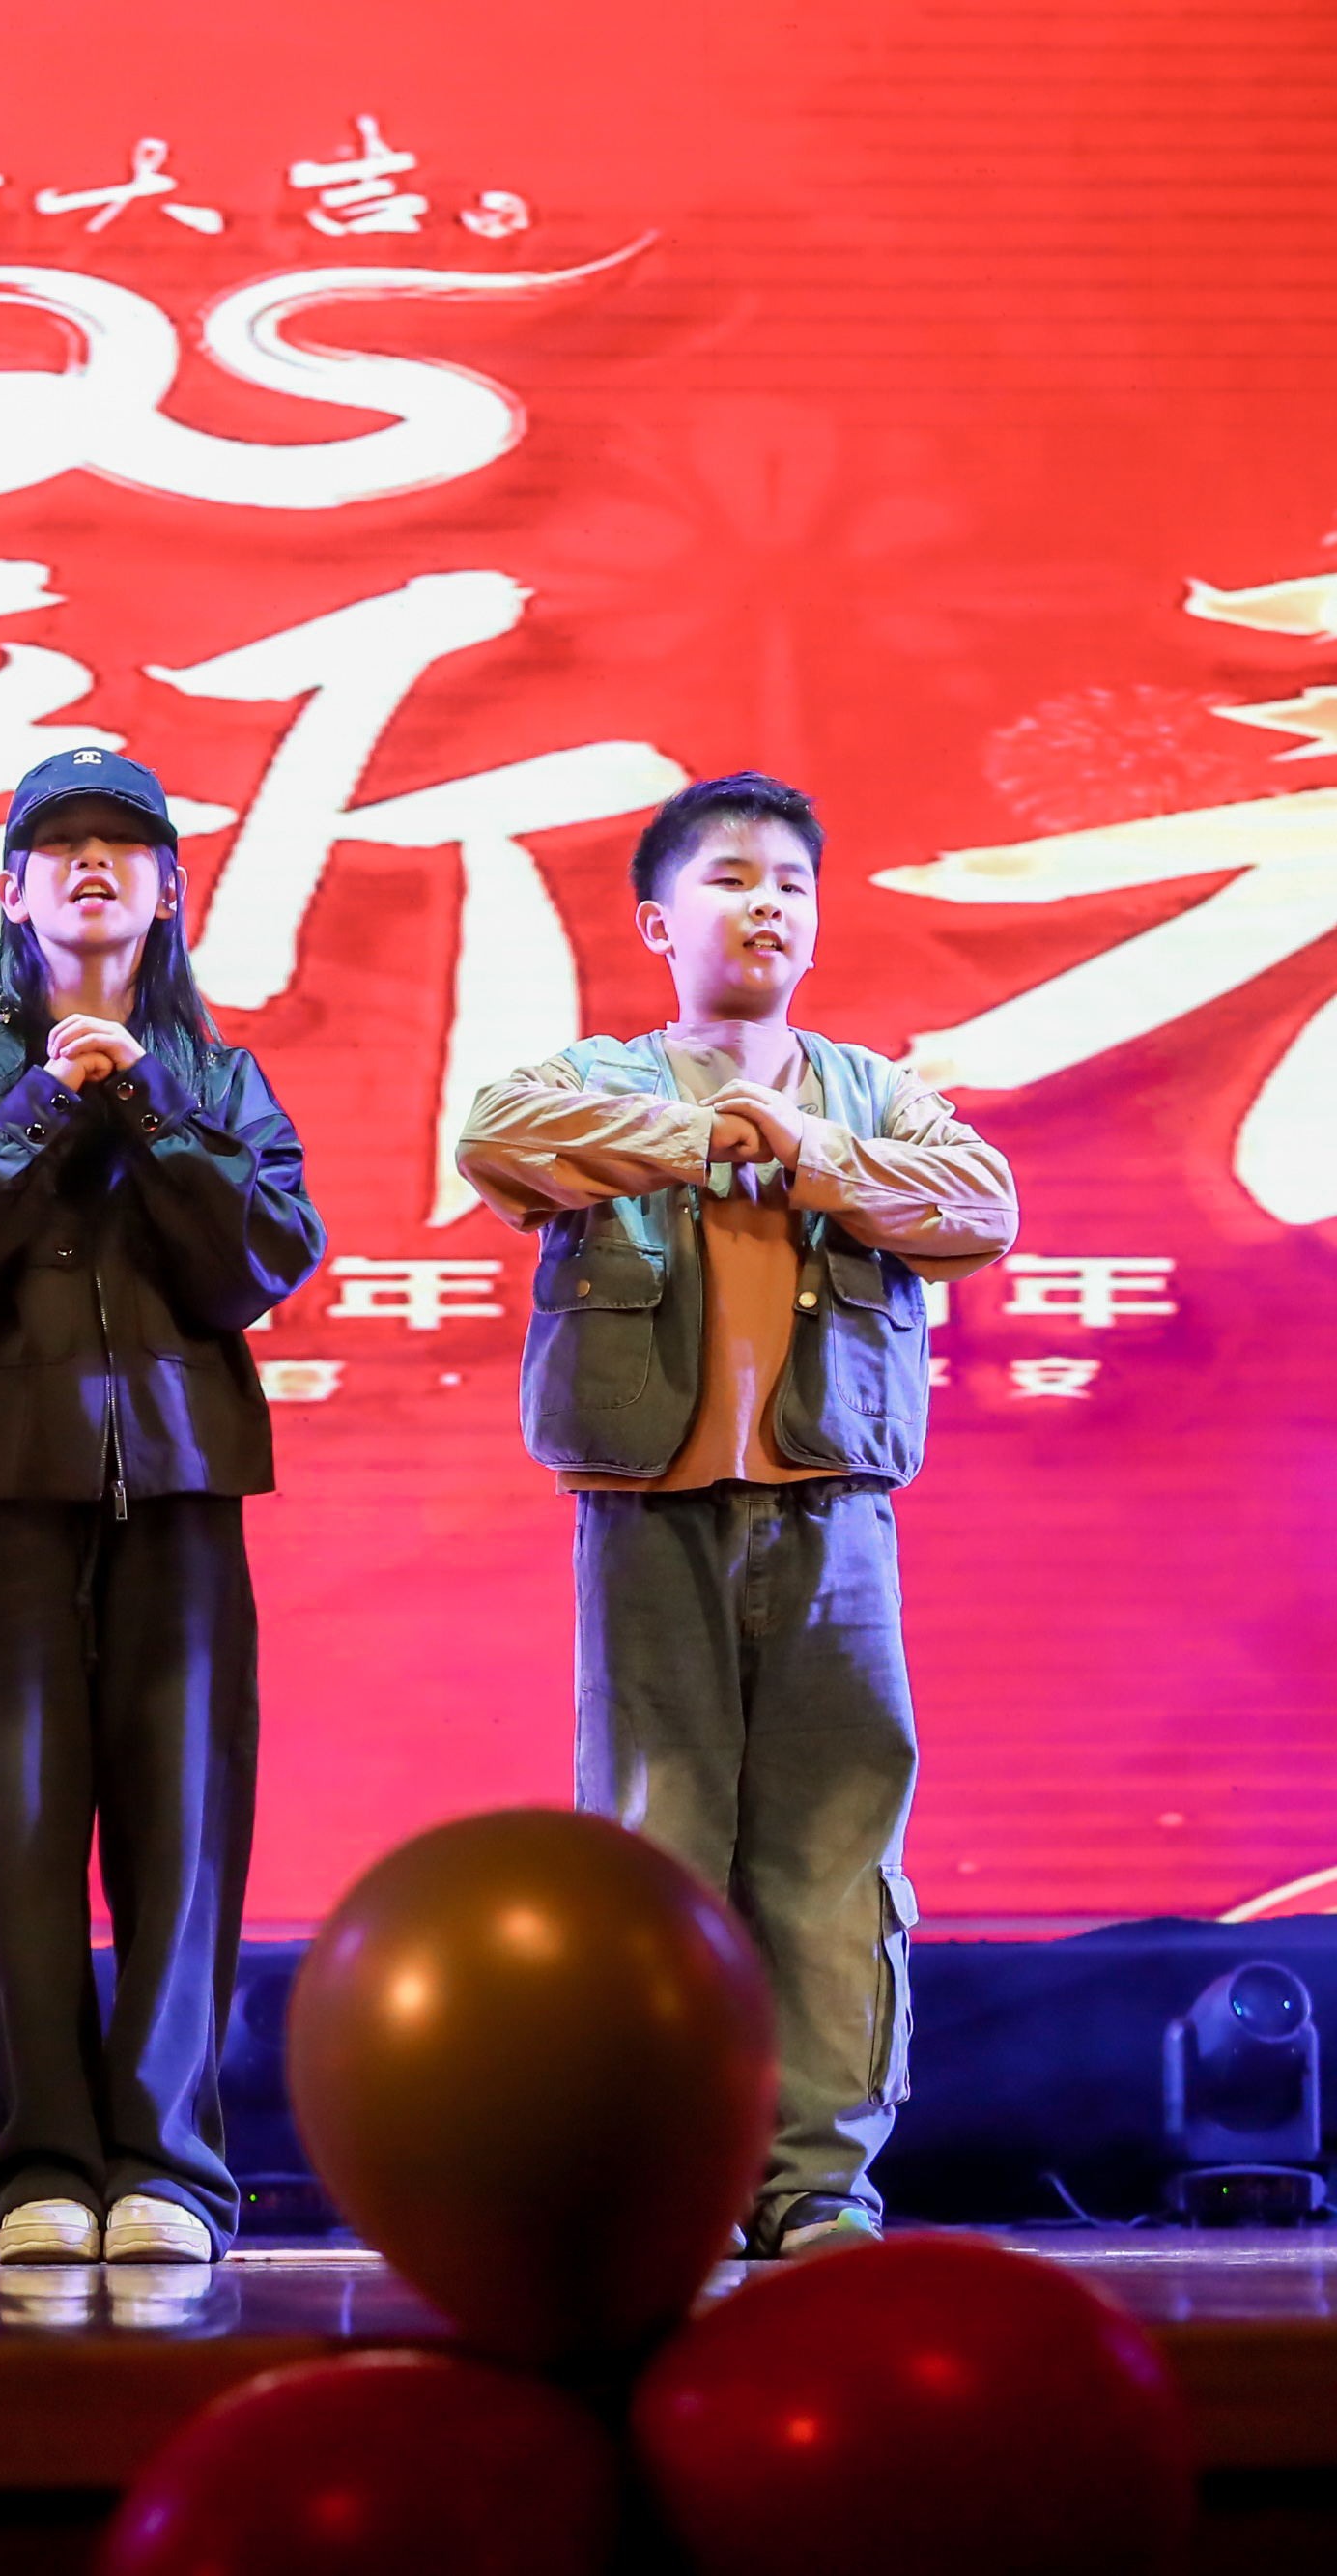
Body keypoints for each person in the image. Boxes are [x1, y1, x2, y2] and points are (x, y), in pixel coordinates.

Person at [456, 770, 1015, 2258]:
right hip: (651, 1516)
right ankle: (665, 2173)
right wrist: (705, 1136)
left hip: (835, 1520)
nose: (766, 903)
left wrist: (816, 1154)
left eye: (790, 882)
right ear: (658, 920)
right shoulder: (598, 1076)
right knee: (655, 1850)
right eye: (730, 877)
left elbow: (983, 1208)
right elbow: (494, 1138)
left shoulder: (873, 1093)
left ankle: (815, 2183)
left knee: (832, 1859)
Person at [0, 748, 327, 2270]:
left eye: (127, 844)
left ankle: (170, 2168)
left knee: (185, 1834)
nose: (96, 865)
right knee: (16, 1837)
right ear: (12, 890)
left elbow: (262, 1262)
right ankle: (42, 2166)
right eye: (63, 846)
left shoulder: (221, 1078)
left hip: (181, 1483)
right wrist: (51, 1100)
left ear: (172, 889)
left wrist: (151, 1108)